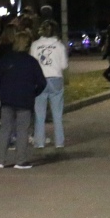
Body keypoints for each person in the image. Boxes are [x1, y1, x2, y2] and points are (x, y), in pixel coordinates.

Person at [0, 30, 47, 169]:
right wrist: (33, 92)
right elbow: (42, 82)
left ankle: (0, 160)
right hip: (25, 100)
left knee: (5, 129)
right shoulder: (31, 62)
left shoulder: (6, 60)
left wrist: (1, 87)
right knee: (22, 130)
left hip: (7, 98)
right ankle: (21, 160)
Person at [30, 20, 68, 149]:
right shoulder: (60, 46)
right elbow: (64, 65)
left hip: (40, 80)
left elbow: (32, 64)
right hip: (56, 79)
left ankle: (39, 142)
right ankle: (59, 141)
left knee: (39, 114)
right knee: (57, 114)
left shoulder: (35, 45)